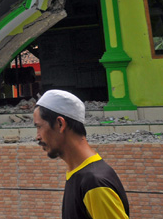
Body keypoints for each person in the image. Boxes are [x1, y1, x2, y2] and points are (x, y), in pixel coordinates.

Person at [33, 89, 130, 219]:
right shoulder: (80, 175)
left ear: (60, 124)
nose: (37, 137)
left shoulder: (94, 183)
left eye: (39, 127)